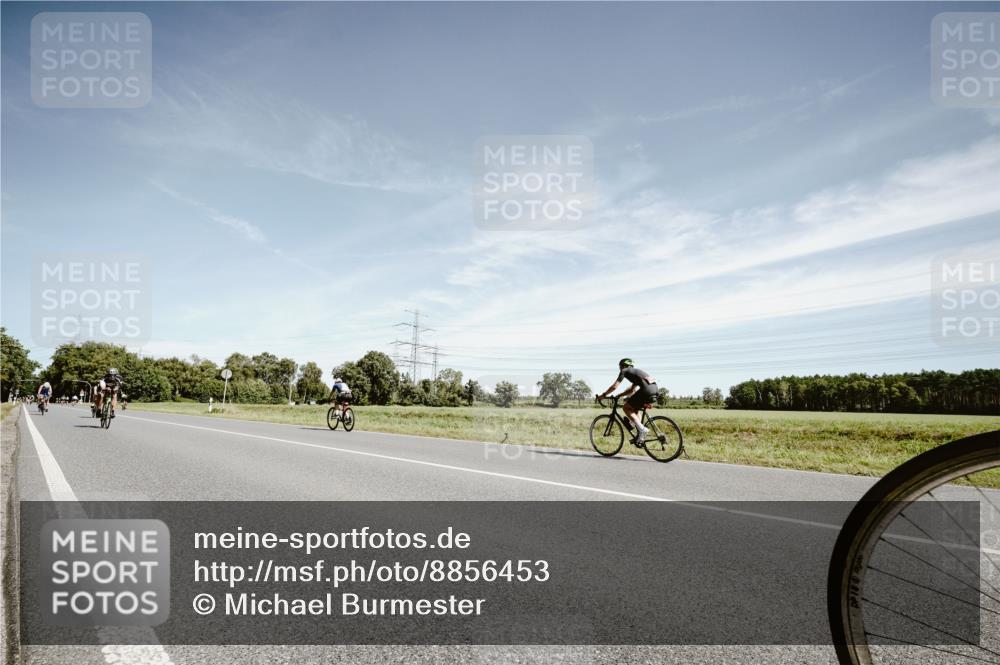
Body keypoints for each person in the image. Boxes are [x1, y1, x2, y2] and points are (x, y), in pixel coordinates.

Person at [598, 358, 658, 444]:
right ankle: (639, 434)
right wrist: (619, 395)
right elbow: (631, 390)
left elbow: (615, 386)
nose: (620, 369)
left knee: (626, 408)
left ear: (622, 366)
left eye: (619, 367)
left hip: (646, 390)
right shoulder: (636, 373)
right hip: (655, 390)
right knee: (635, 410)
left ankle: (642, 429)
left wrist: (603, 395)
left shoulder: (624, 371)